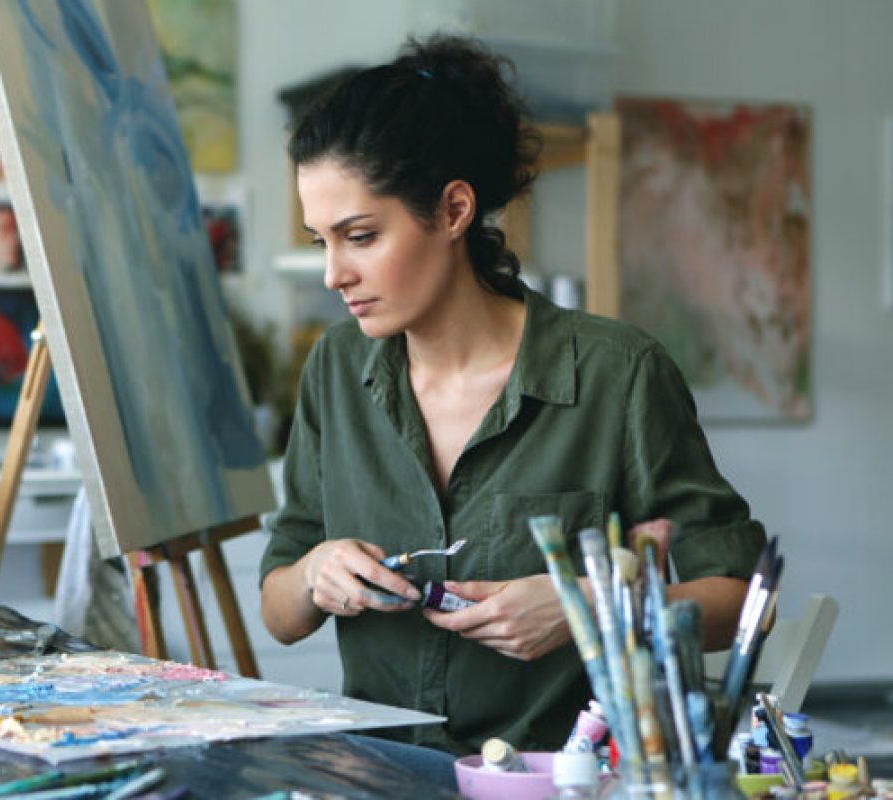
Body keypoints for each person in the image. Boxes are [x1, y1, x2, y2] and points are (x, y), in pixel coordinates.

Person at [258, 34, 766, 770]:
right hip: (375, 774)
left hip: (557, 779)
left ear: (454, 209)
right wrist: (315, 573)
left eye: (360, 236)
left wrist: (590, 609)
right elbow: (278, 613)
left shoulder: (616, 374)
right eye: (320, 241)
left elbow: (744, 599)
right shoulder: (336, 369)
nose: (334, 273)